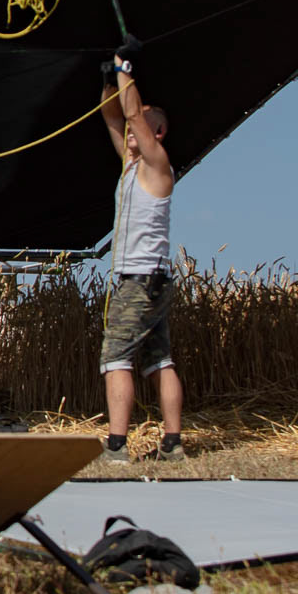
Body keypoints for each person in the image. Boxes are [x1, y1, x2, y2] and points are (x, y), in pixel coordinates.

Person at [96, 51, 184, 463]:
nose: (134, 127)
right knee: (159, 360)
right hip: (153, 279)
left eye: (144, 123)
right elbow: (113, 116)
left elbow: (130, 114)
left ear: (158, 132)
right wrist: (108, 82)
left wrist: (124, 67)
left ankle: (116, 446)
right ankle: (173, 443)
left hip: (140, 280)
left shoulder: (157, 165)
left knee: (115, 357)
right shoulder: (131, 165)